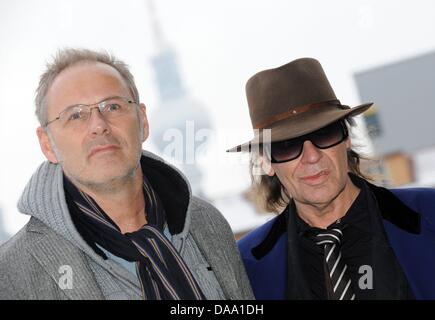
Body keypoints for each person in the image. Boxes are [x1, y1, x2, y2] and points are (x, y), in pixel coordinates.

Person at [0, 48, 253, 300]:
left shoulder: (207, 223)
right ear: (47, 144)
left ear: (142, 121)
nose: (98, 125)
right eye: (75, 115)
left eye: (112, 106)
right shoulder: (12, 272)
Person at [227, 58, 435, 300]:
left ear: (346, 137)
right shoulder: (244, 267)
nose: (312, 156)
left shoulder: (429, 213)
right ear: (266, 162)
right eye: (287, 146)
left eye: (324, 134)